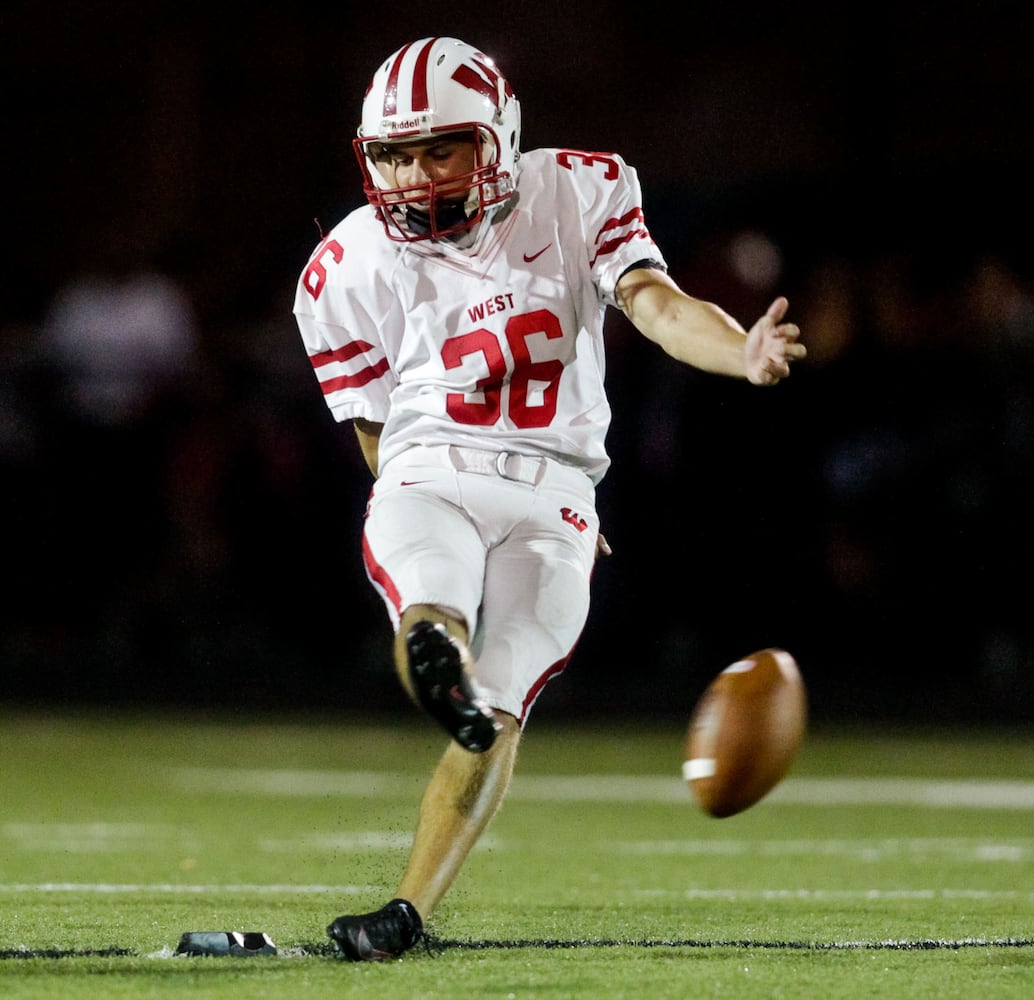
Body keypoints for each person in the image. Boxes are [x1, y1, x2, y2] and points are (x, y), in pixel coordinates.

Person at [292, 36, 805, 961]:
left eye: (440, 148)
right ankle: (435, 656)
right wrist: (402, 499)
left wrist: (742, 352)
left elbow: (655, 304)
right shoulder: (341, 268)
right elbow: (372, 428)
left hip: (557, 493)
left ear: (499, 139)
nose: (416, 177)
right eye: (395, 155)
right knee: (433, 607)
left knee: (503, 695)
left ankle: (404, 912)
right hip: (430, 466)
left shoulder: (579, 189)